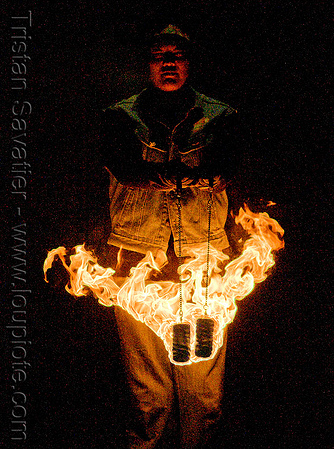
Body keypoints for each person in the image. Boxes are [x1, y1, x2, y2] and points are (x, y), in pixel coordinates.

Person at [100, 25, 240, 448]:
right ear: (148, 62)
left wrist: (209, 172)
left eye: (176, 55)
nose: (168, 63)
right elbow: (121, 165)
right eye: (159, 54)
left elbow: (229, 162)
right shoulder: (120, 116)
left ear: (189, 62)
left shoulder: (220, 116)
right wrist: (164, 175)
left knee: (202, 392)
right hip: (136, 259)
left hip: (206, 261)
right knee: (149, 394)